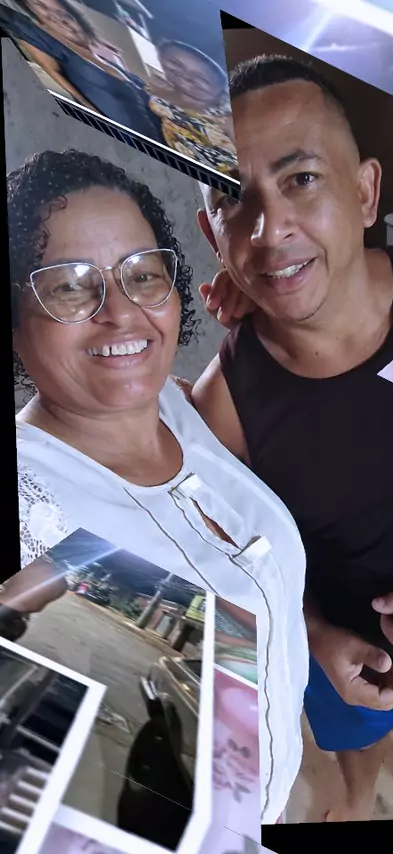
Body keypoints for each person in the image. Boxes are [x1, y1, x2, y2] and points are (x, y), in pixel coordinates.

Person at [192, 55, 393, 820]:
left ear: (365, 192)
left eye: (302, 178)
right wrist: (313, 631)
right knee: (354, 764)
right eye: (232, 197)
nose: (269, 228)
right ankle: (355, 796)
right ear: (211, 231)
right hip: (345, 658)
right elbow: (236, 562)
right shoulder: (226, 403)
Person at [5, 149, 309, 826]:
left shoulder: (175, 404)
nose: (120, 312)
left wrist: (307, 634)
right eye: (69, 286)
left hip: (274, 799)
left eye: (142, 274)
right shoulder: (32, 507)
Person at [0, 0, 162, 141]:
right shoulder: (52, 46)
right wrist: (90, 110)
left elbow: (134, 86)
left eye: (65, 17)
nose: (60, 20)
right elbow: (54, 72)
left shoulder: (102, 49)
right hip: (124, 125)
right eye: (37, 5)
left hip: (152, 119)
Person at [147, 39, 237, 173]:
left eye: (202, 78)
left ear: (221, 87)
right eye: (175, 63)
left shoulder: (229, 120)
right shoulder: (157, 92)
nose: (185, 77)